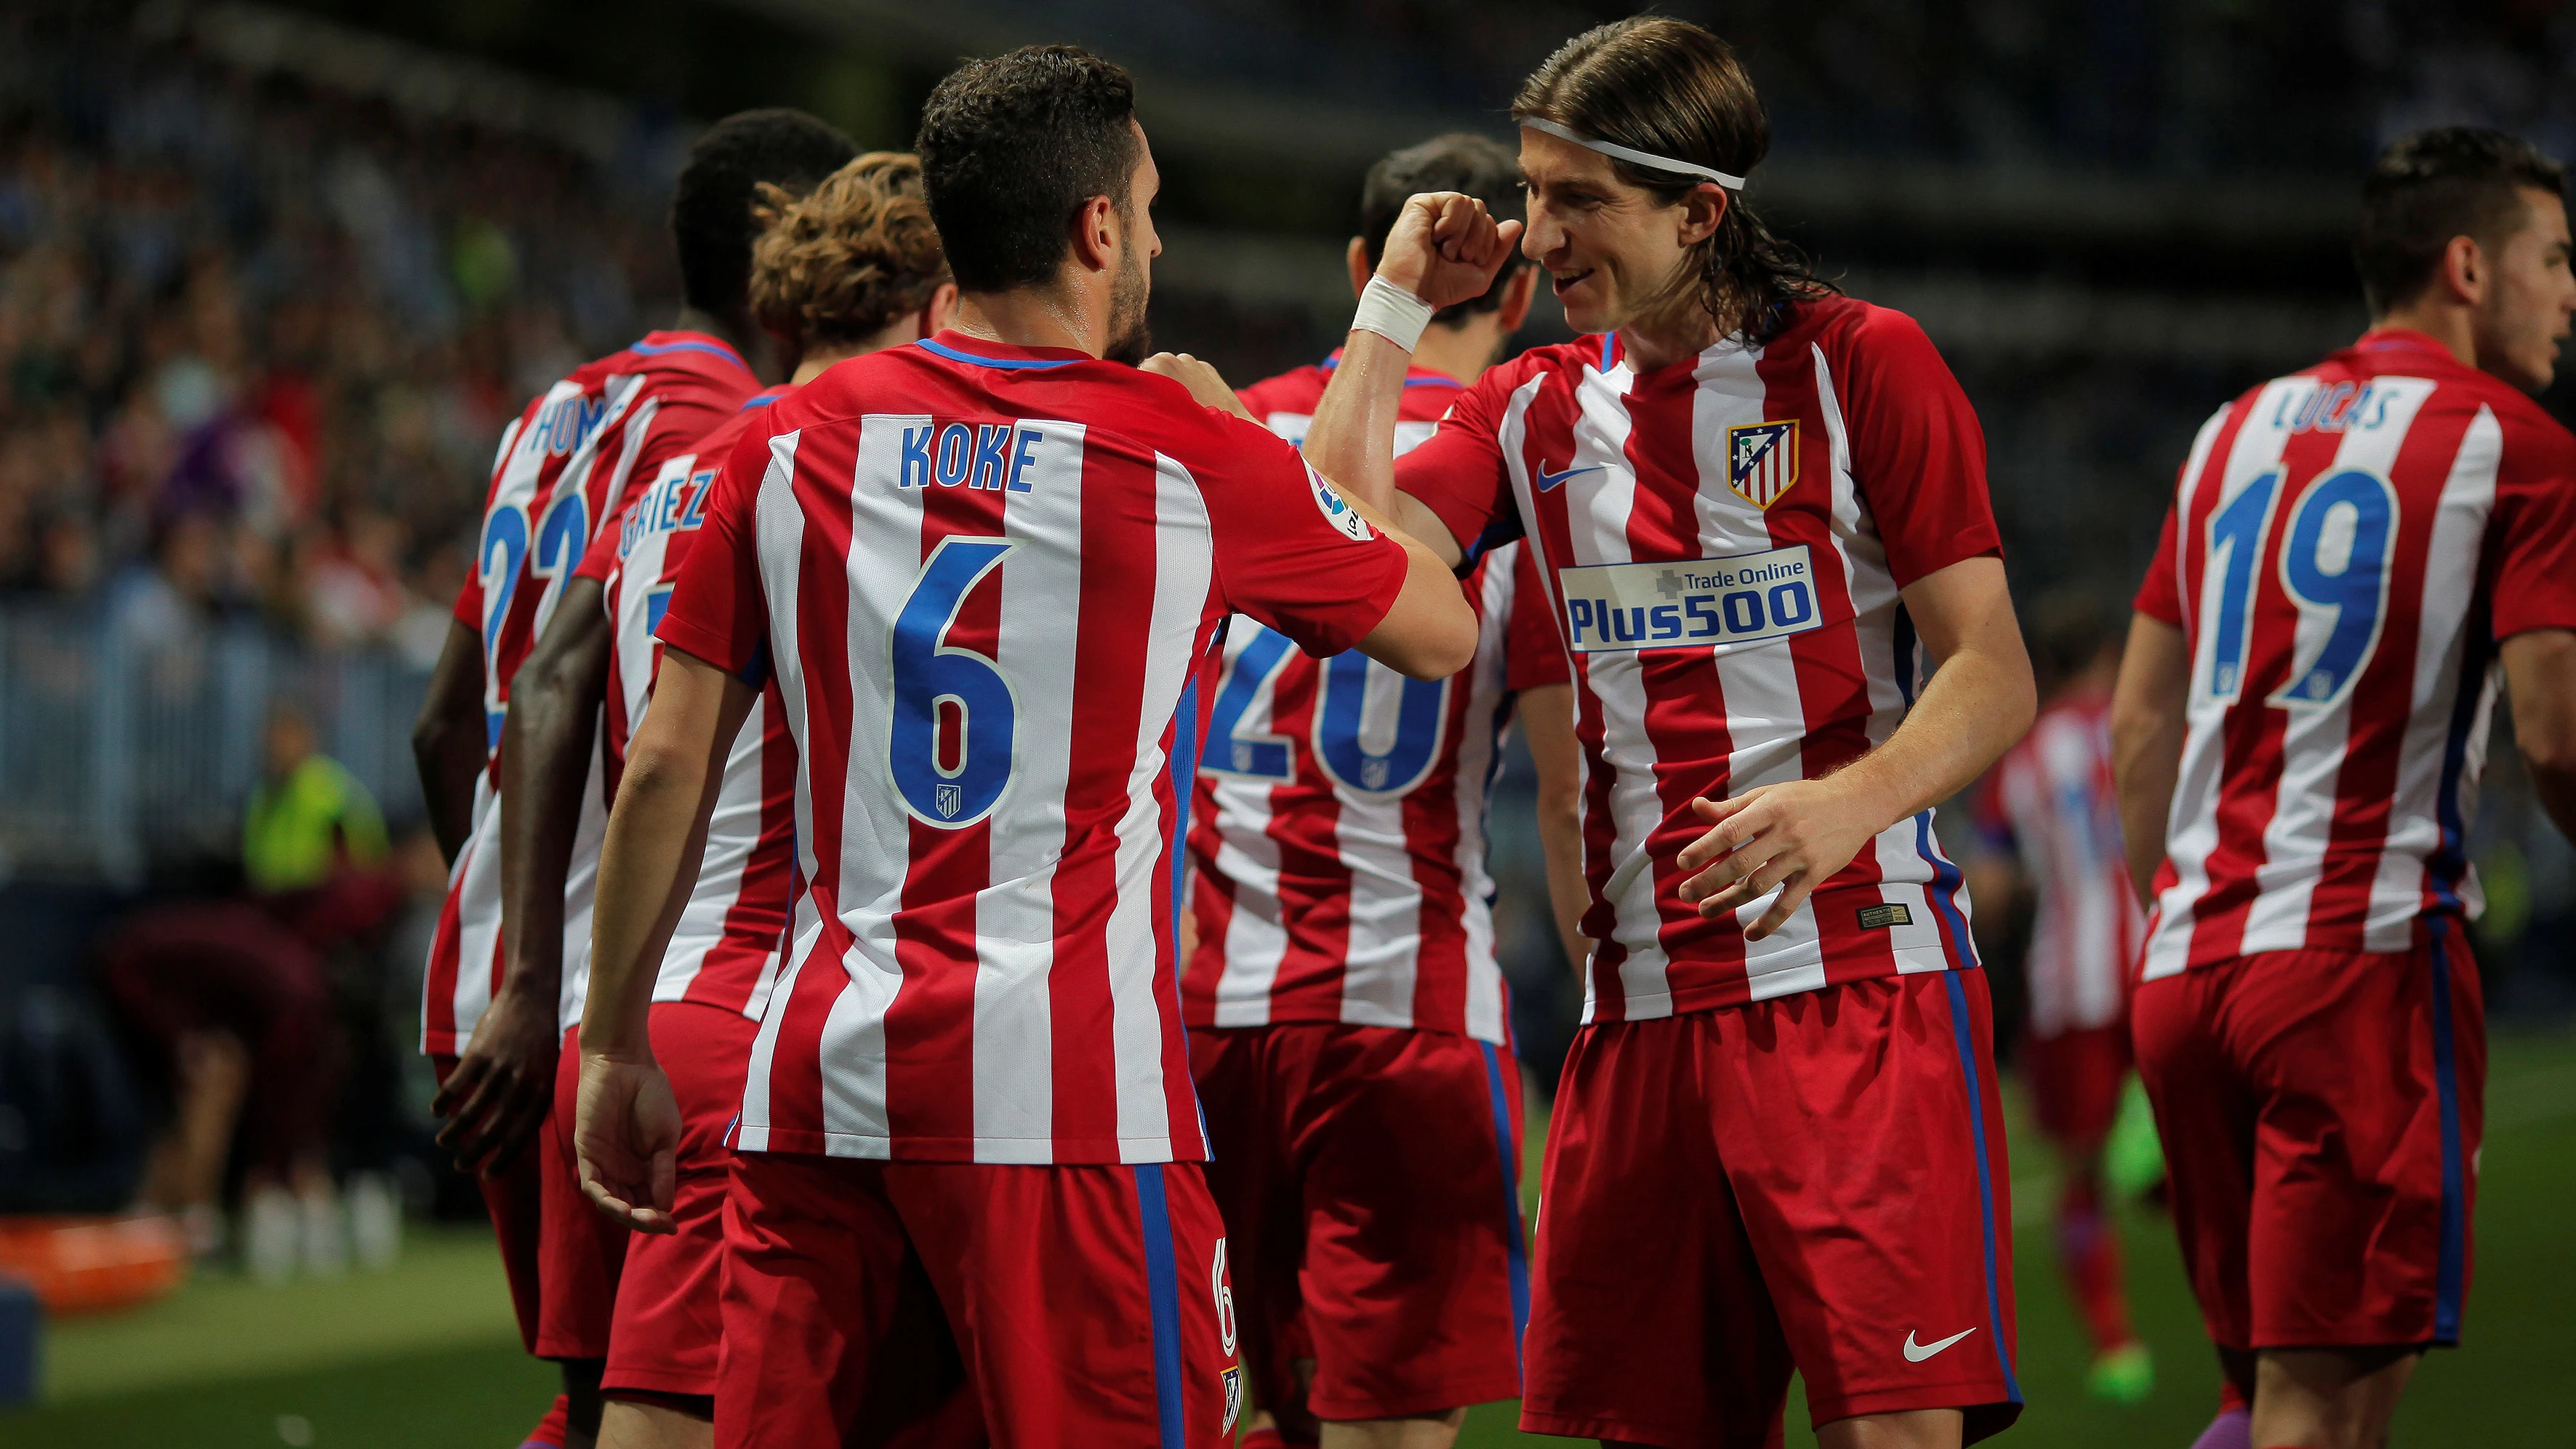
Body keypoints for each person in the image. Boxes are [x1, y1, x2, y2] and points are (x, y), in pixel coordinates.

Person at [573, 44, 1477, 1448]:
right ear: (1096, 226)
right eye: (1153, 205)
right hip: (1069, 1110)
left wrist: (614, 1041)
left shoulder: (780, 443)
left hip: (814, 1089)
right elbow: (1440, 628)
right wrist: (1258, 425)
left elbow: (668, 764)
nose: (1162, 237)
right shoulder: (1183, 452)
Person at [1289, 17, 2038, 1448]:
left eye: (1576, 201)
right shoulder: (1530, 409)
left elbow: (1988, 672)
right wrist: (1390, 304)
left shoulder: (1855, 368)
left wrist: (1847, 806)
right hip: (1636, 1022)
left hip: (1854, 990)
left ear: (1698, 210)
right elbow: (1344, 554)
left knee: (1892, 1432)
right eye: (1528, 192)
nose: (1536, 236)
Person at [2110, 126, 2576, 1449]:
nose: (2570, 289)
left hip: (2187, 971)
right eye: (2554, 257)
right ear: (2469, 266)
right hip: (2352, 969)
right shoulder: (2519, 445)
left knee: (2257, 1399)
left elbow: (2139, 722)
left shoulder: (2225, 435)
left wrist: (2180, 910)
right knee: (2317, 1413)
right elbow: (2553, 734)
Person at [410, 108, 859, 1449]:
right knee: (678, 1407)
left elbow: (447, 727)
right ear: (782, 226)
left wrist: (504, 949)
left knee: (604, 1397)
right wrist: (552, 980)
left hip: (496, 982)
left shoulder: (556, 408)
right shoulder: (720, 420)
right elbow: (564, 686)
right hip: (618, 993)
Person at [502, 151, 956, 1449]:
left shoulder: (673, 481)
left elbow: (557, 683)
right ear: (935, 303)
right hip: (767, 1012)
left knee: (606, 1411)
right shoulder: (854, 467)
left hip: (641, 997)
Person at [1182, 133, 1584, 1449]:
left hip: (1199, 1017)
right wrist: (1603, 1016)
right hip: (1405, 1010)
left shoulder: (1219, 428)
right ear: (1516, 299)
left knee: (1229, 1411)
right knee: (1394, 1431)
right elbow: (1568, 792)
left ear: (1362, 268)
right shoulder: (1521, 467)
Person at [1964, 592, 2152, 1406]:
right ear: (2110, 654)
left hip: (2068, 986)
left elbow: (1991, 888)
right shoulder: (2148, 723)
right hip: (2160, 962)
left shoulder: (2022, 762)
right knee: (2230, 1146)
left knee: (2077, 1177)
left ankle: (2115, 1347)